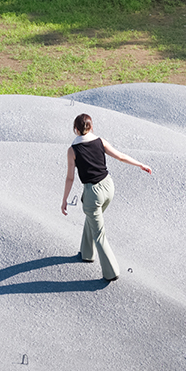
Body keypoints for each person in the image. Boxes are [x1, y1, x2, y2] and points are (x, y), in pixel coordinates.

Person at [60, 113, 152, 282]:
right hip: (109, 187)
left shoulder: (72, 150)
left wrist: (64, 199)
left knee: (99, 233)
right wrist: (141, 164)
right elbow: (120, 156)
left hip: (92, 193)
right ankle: (87, 253)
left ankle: (111, 272)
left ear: (75, 129)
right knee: (93, 220)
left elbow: (70, 177)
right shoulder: (100, 141)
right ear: (91, 127)